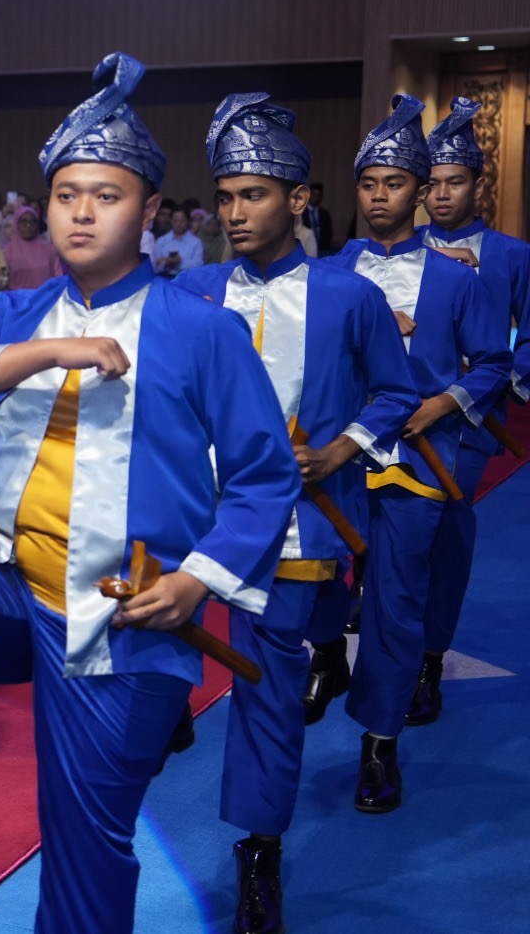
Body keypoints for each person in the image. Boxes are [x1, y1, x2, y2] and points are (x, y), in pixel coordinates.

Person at [0, 53, 300, 934]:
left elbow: (264, 475)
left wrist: (196, 582)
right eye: (66, 195)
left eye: (106, 194)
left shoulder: (203, 331)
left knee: (86, 840)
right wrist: (51, 353)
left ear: (149, 209)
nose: (82, 211)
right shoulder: (18, 315)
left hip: (123, 613)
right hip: (1, 584)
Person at [174, 93, 421, 934]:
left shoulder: (348, 297)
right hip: (195, 530)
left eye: (253, 195)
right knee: (208, 678)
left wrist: (342, 450)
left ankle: (261, 848)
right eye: (225, 197)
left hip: (299, 530)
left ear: (300, 199)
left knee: (269, 691)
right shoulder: (193, 291)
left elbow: (395, 393)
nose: (235, 213)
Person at [316, 94, 509, 814]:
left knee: (396, 600)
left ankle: (380, 742)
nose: (378, 196)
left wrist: (441, 403)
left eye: (393, 184)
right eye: (367, 184)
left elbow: (493, 362)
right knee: (310, 583)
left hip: (418, 460)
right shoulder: (328, 270)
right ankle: (328, 655)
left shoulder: (460, 278)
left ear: (420, 191)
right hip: (336, 455)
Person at [409, 97, 530, 722]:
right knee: (390, 539)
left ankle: (429, 660)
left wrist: (501, 383)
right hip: (393, 419)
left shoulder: (511, 255)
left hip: (469, 423)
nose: (441, 194)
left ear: (478, 183)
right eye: (431, 182)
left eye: (454, 182)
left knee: (446, 541)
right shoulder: (397, 249)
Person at [2, 204, 64, 290]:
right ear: (17, 225)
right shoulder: (7, 252)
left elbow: (58, 277)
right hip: (16, 297)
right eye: (24, 222)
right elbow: (3, 282)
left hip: (46, 296)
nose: (28, 225)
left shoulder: (49, 250)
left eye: (32, 222)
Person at [153, 204, 203, 275]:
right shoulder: (161, 241)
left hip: (187, 279)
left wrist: (179, 262)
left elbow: (198, 265)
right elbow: (155, 265)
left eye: (182, 221)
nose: (178, 224)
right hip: (164, 278)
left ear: (188, 221)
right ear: (170, 220)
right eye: (175, 221)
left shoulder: (196, 242)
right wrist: (166, 263)